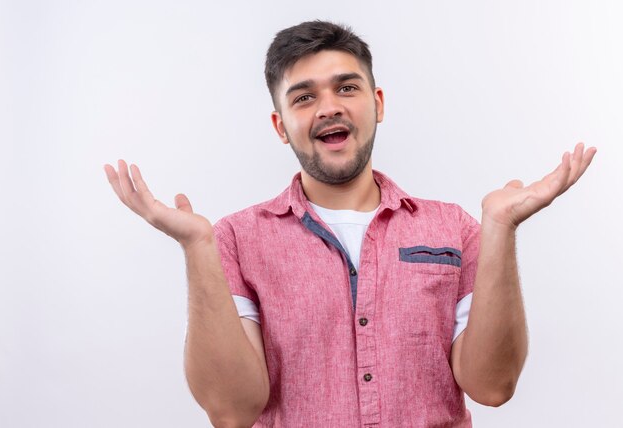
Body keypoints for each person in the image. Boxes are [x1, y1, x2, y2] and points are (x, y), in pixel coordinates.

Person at [104, 20, 596, 427]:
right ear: (281, 126)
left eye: (346, 87)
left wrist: (501, 227)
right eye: (303, 97)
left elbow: (492, 387)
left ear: (377, 104)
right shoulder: (233, 240)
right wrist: (196, 247)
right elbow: (232, 409)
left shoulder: (456, 229)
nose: (329, 106)